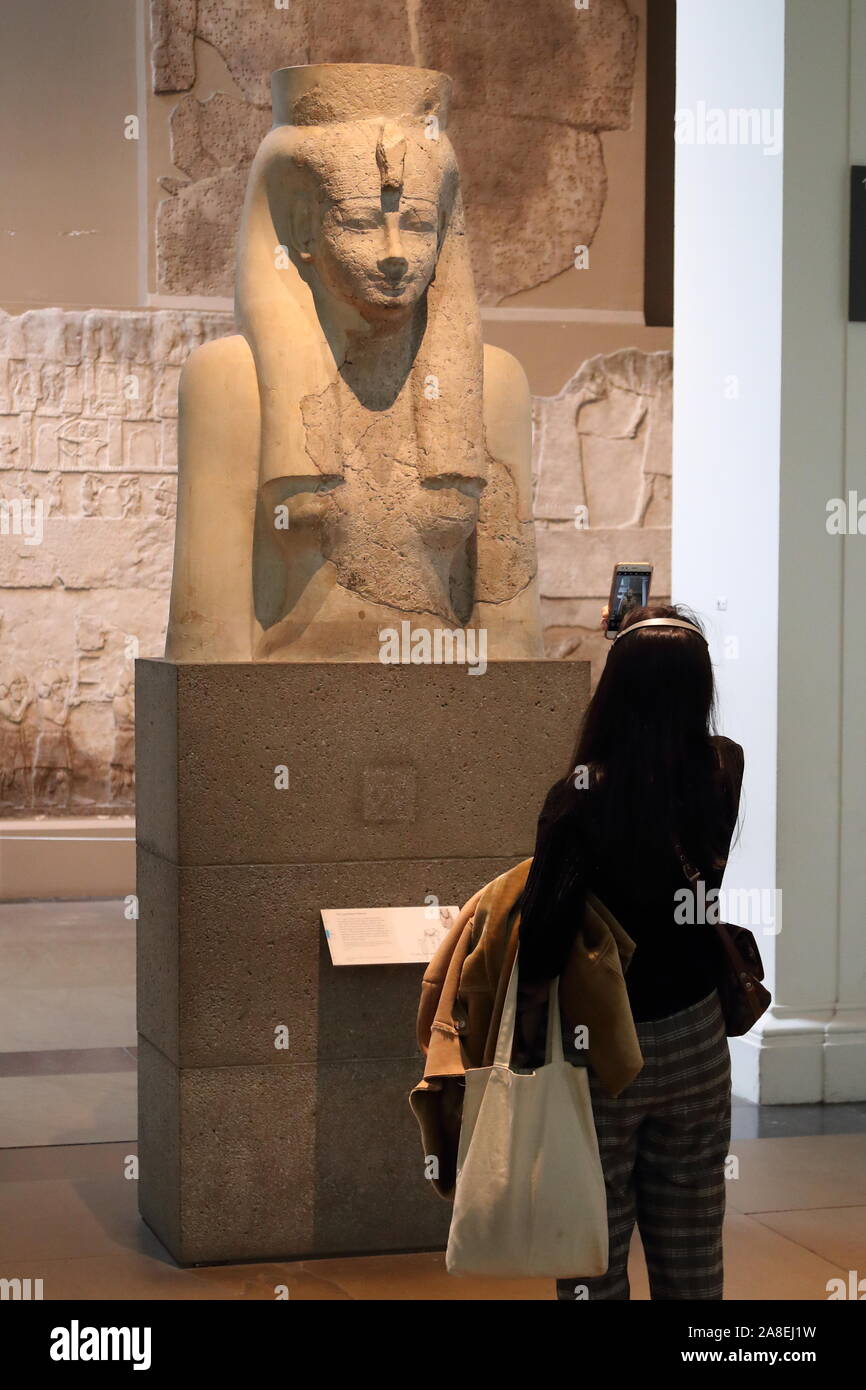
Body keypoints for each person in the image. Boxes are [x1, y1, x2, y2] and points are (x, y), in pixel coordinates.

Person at [517, 603, 744, 1301]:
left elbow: (544, 936)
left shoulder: (581, 797)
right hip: (699, 1036)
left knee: (594, 1250)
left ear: (613, 689)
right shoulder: (721, 768)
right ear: (699, 688)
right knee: (693, 1248)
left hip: (603, 1049)